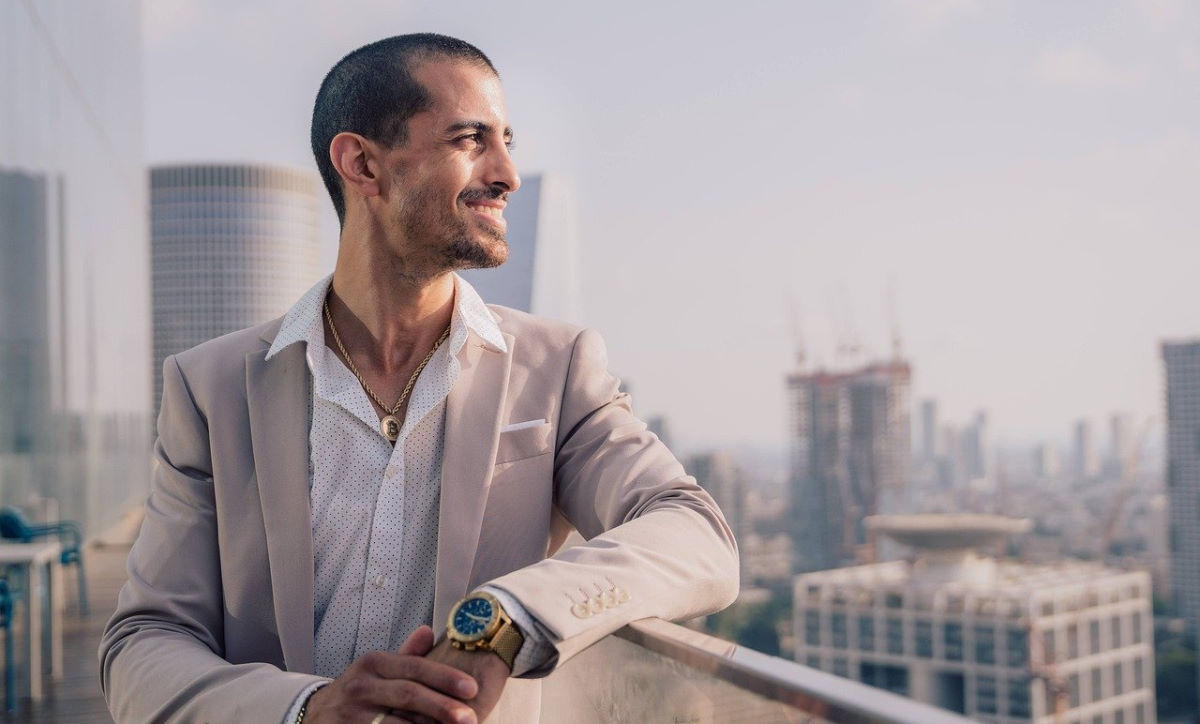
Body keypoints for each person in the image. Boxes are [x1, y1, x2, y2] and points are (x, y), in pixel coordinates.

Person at [100, 33, 738, 724]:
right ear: (363, 164)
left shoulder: (556, 369)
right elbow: (144, 642)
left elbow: (695, 535)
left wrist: (503, 619)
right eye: (470, 139)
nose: (507, 174)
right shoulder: (210, 387)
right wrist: (304, 709)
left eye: (508, 140)